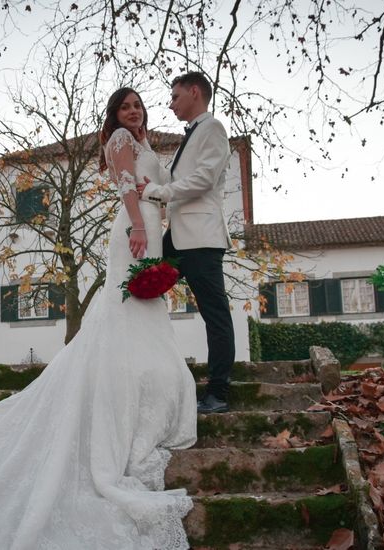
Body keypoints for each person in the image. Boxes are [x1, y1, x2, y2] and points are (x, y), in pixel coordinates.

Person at [0, 87, 197, 550]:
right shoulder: (120, 143)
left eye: (138, 105)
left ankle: (143, 381)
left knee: (142, 308)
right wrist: (141, 226)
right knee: (126, 305)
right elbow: (128, 186)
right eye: (126, 107)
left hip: (150, 223)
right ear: (114, 115)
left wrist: (157, 214)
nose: (135, 111)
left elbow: (156, 185)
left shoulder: (144, 143)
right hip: (135, 227)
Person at [139, 71, 234, 414]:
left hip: (201, 239)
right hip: (178, 237)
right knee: (138, 287)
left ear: (195, 92)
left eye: (175, 96)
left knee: (215, 316)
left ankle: (219, 393)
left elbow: (204, 179)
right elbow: (176, 177)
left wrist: (159, 192)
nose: (170, 103)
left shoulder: (213, 129)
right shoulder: (191, 136)